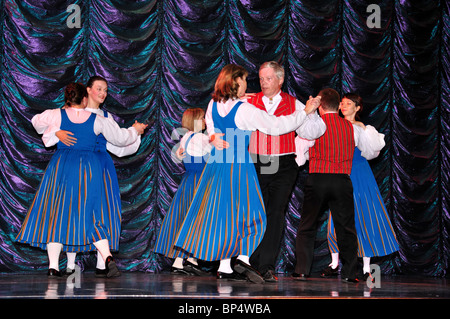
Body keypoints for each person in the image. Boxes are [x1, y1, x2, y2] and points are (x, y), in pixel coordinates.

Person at [174, 64, 320, 283]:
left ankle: (225, 266)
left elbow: (212, 131)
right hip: (239, 164)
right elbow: (277, 126)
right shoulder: (244, 110)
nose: (249, 84)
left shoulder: (213, 104)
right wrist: (304, 112)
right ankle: (243, 258)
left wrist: (213, 137)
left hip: (217, 165)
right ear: (236, 82)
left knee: (223, 214)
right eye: (244, 80)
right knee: (253, 215)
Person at [15, 83, 147, 278]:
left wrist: (54, 131)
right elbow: (120, 139)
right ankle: (106, 256)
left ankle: (53, 266)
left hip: (63, 167)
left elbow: (36, 121)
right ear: (85, 97)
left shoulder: (57, 115)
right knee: (92, 214)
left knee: (58, 214)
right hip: (88, 169)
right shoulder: (97, 119)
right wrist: (135, 131)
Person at [247, 61, 326, 282]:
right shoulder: (251, 102)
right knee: (254, 212)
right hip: (257, 162)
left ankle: (266, 265)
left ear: (280, 80)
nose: (263, 83)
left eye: (268, 78)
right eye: (261, 79)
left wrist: (310, 113)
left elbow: (314, 132)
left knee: (276, 212)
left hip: (284, 165)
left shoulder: (294, 103)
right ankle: (248, 263)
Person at [56, 76, 143, 277]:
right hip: (76, 166)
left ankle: (102, 263)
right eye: (99, 89)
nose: (103, 93)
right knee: (75, 210)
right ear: (87, 91)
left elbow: (118, 146)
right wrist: (57, 132)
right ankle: (70, 263)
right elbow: (50, 126)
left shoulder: (105, 117)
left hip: (101, 166)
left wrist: (134, 134)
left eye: (105, 89)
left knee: (102, 211)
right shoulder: (72, 113)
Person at [320, 93, 399, 280]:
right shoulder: (331, 124)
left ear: (357, 108)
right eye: (343, 103)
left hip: (359, 172)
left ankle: (364, 266)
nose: (344, 106)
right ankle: (334, 262)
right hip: (340, 171)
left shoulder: (363, 128)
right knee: (335, 216)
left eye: (349, 103)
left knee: (364, 215)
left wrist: (362, 129)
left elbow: (372, 152)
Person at [294, 88, 359, 283]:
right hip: (342, 179)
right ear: (338, 106)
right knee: (346, 227)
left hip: (319, 177)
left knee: (308, 224)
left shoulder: (316, 125)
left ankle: (302, 269)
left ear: (320, 106)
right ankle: (350, 272)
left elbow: (301, 150)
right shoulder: (350, 127)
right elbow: (367, 149)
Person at [154, 107, 212, 276]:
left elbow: (179, 157)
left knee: (186, 219)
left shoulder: (185, 137)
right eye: (202, 118)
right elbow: (216, 153)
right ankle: (188, 260)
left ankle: (185, 260)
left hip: (188, 180)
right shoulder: (201, 138)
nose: (204, 121)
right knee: (196, 219)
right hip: (199, 181)